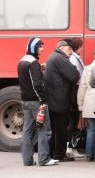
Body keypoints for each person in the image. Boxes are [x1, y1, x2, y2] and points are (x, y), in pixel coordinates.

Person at [18, 37, 58, 166]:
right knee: (44, 130)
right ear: (34, 48)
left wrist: (38, 69)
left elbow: (27, 81)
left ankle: (27, 160)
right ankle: (44, 159)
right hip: (37, 101)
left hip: (25, 101)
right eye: (40, 46)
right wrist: (43, 100)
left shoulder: (22, 61)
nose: (42, 48)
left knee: (27, 131)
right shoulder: (33, 63)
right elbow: (37, 85)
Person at [45, 40, 80, 162]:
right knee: (60, 129)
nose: (72, 51)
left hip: (54, 99)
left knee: (55, 129)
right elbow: (75, 75)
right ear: (62, 48)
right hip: (59, 100)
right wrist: (74, 68)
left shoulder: (53, 57)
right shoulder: (60, 58)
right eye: (69, 49)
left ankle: (53, 153)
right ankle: (59, 154)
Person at [77, 47, 95, 162]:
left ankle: (89, 155)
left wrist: (80, 104)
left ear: (94, 55)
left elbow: (82, 87)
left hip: (89, 102)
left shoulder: (87, 68)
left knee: (91, 129)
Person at [66, 38, 85, 158]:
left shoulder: (74, 58)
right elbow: (77, 75)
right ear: (77, 47)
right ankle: (69, 148)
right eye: (81, 46)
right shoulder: (74, 59)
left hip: (73, 91)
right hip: (74, 92)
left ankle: (69, 147)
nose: (82, 49)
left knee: (72, 121)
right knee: (72, 121)